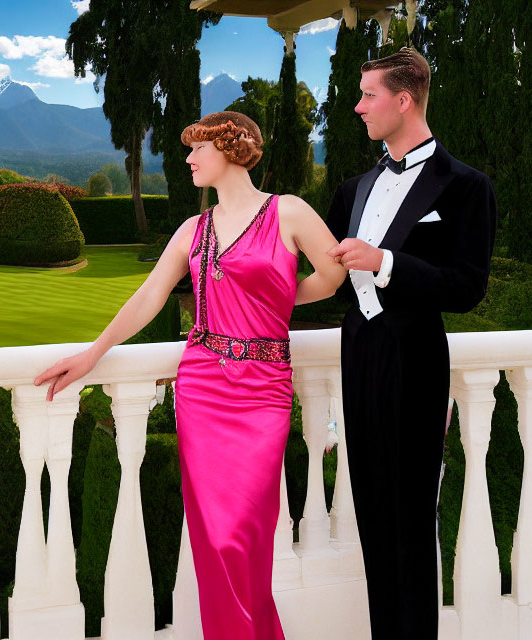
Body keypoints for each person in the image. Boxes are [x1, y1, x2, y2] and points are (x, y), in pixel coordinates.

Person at [34, 111, 346, 639]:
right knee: (213, 538)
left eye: (197, 149)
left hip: (266, 387)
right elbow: (148, 298)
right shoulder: (192, 229)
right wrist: (93, 354)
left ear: (229, 150)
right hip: (203, 387)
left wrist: (278, 299)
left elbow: (333, 274)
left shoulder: (289, 212)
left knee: (243, 535)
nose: (188, 159)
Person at [325, 48, 497, 639]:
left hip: (417, 357)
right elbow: (328, 280)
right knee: (371, 509)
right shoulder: (354, 189)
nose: (358, 105)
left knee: (411, 514)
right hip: (359, 354)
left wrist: (387, 263)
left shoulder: (466, 187)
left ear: (405, 99)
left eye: (369, 94)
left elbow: (467, 287)